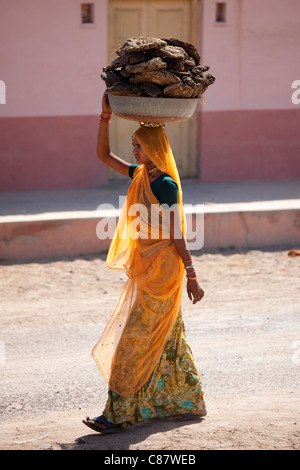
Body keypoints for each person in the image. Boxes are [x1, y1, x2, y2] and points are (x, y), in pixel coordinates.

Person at [82, 92, 206, 433]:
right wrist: (104, 117)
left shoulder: (165, 185)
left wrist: (191, 274)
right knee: (166, 337)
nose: (134, 151)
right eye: (134, 145)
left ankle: (117, 414)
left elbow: (176, 231)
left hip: (164, 271)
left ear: (153, 148)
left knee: (132, 341)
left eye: (138, 146)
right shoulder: (140, 175)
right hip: (145, 268)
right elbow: (103, 155)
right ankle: (185, 402)